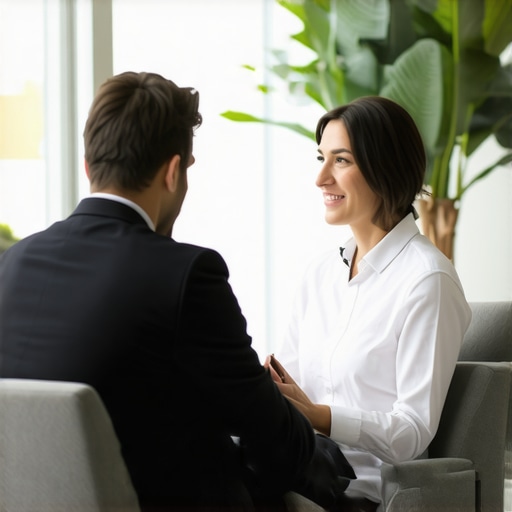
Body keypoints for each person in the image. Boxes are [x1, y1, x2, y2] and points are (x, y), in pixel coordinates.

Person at [0, 71, 349, 512]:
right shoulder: (186, 274)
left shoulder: (12, 264)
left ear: (89, 166)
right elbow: (274, 441)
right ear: (171, 172)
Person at [267, 96, 472, 510]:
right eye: (321, 158)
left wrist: (320, 417)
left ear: (385, 167)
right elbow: (291, 389)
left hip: (357, 491)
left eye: (340, 161)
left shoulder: (427, 280)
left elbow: (412, 431)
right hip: (299, 468)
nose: (321, 178)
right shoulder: (320, 274)